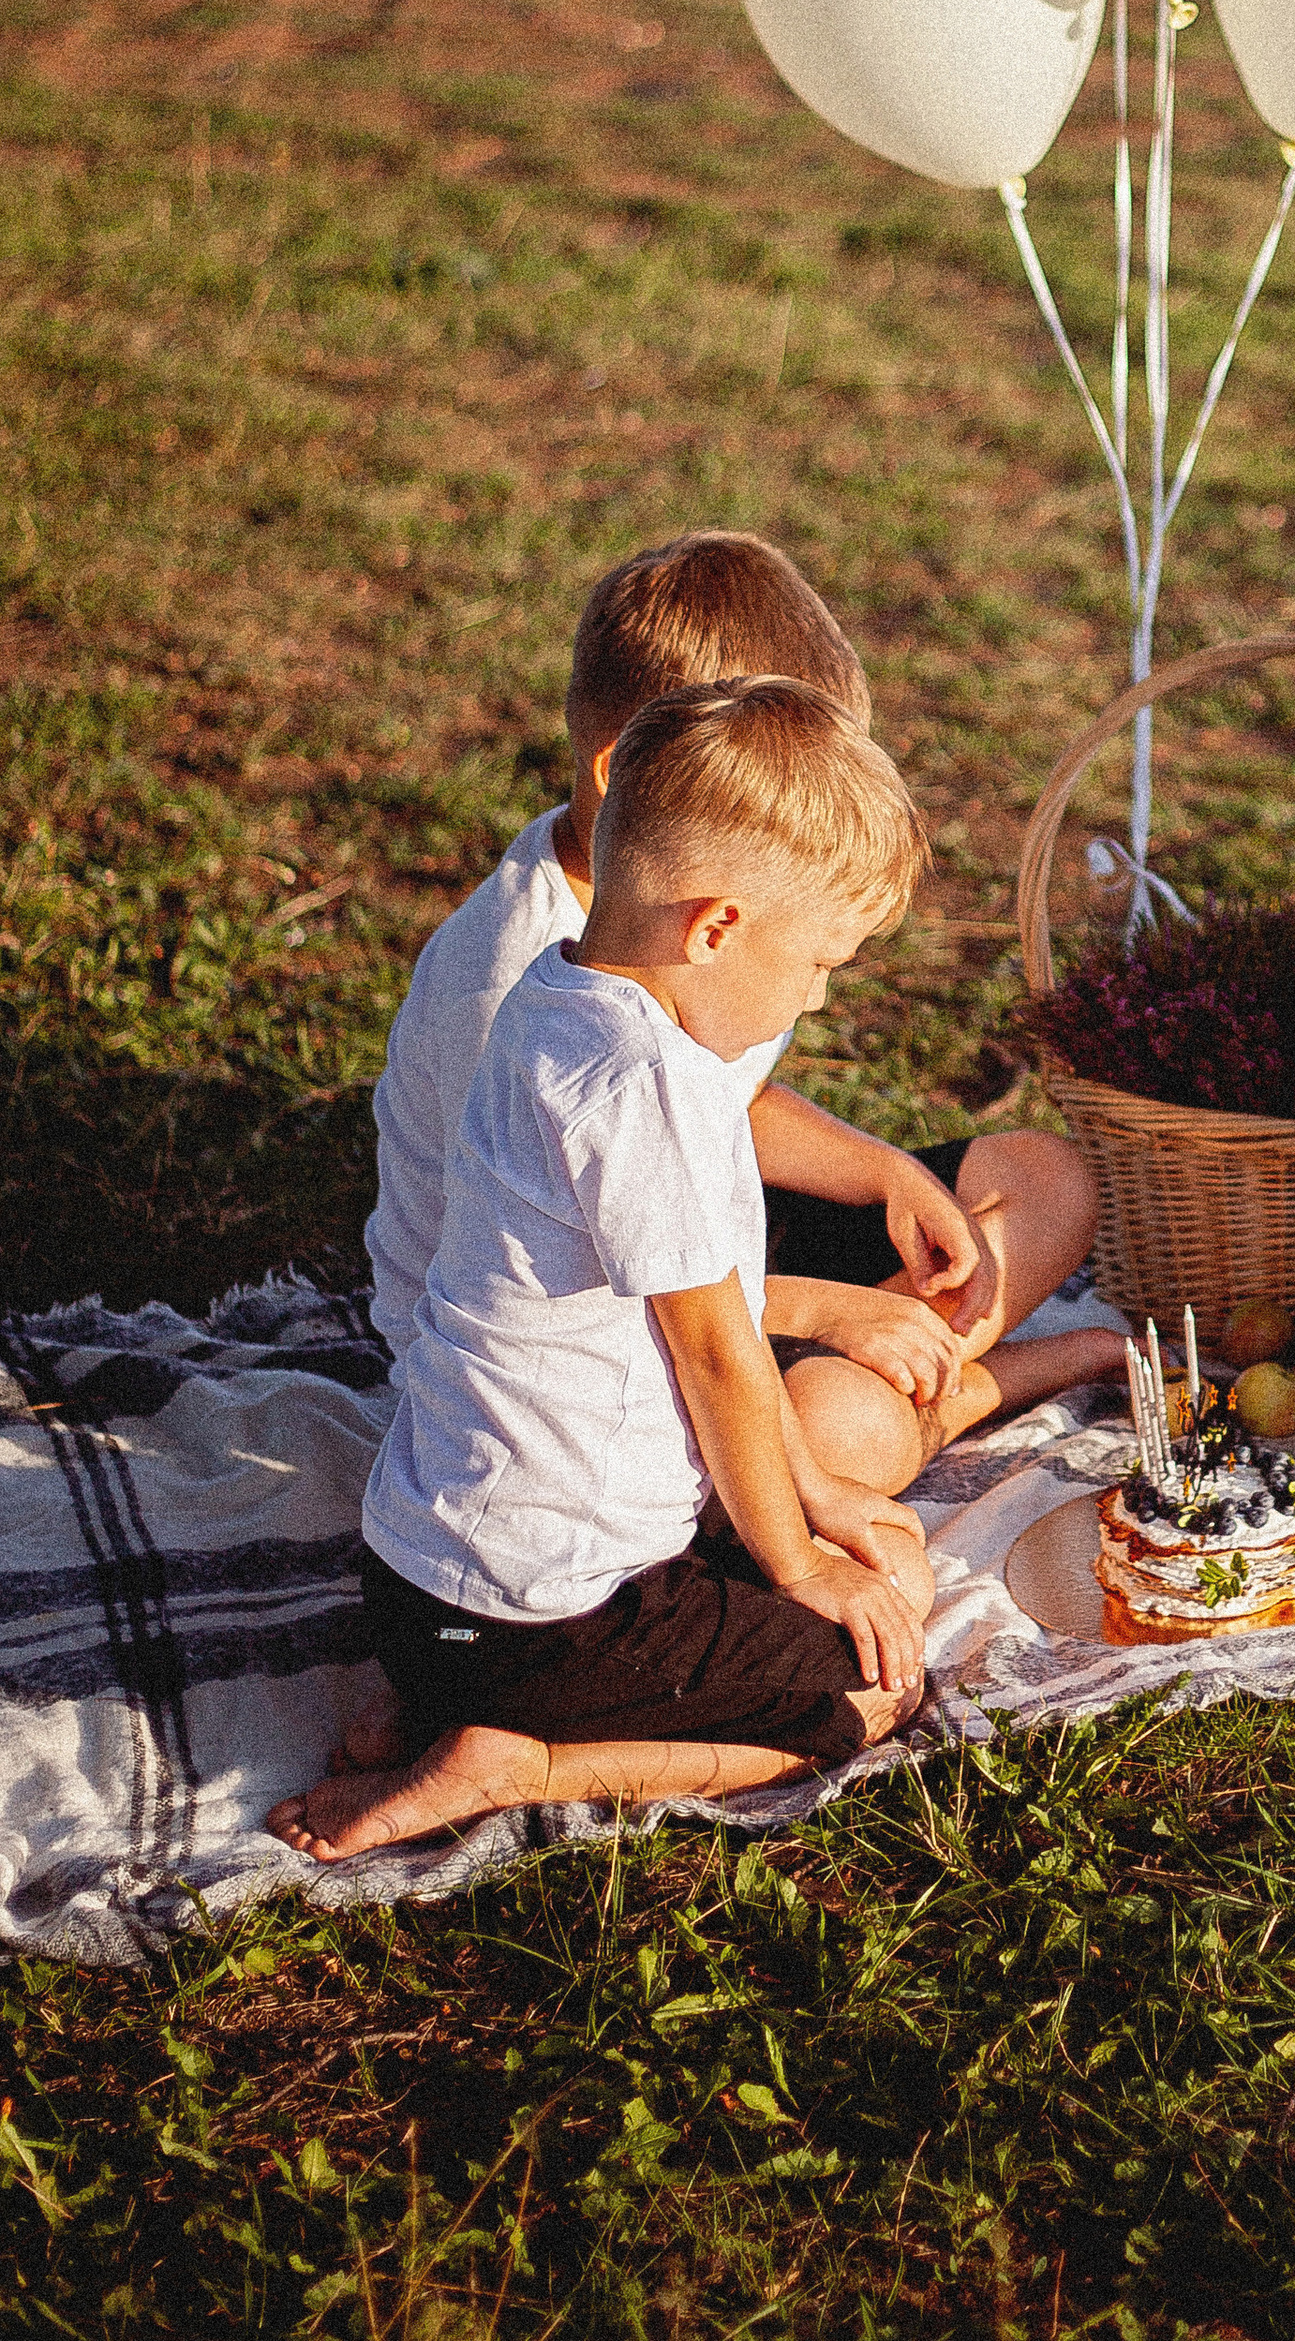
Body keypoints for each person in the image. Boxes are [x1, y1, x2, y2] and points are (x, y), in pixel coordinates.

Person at [274, 677, 946, 1860]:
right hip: (547, 1619)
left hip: (420, 1584)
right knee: (870, 1690)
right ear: (718, 927)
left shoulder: (549, 998)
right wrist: (795, 1558)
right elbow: (722, 1358)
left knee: (878, 1541)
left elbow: (717, 1332)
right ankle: (517, 1760)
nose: (820, 992)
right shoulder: (654, 1090)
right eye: (821, 961)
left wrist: (819, 1499)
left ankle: (436, 1698)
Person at [365, 528, 1117, 1484]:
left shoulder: (674, 918)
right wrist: (828, 1311)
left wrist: (881, 1172)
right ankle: (929, 1400)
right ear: (620, 771)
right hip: (572, 1354)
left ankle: (906, 1375)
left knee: (1047, 1181)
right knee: (831, 1440)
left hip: (704, 1245)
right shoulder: (520, 997)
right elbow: (596, 1295)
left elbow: (723, 1098)